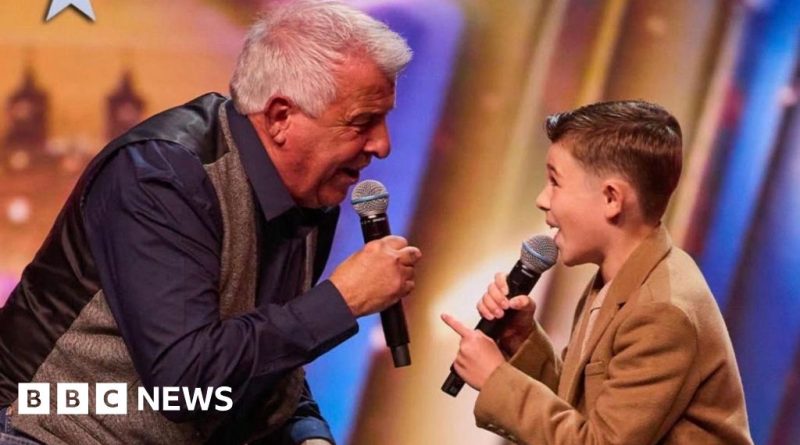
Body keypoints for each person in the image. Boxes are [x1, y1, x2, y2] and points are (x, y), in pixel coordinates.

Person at [0, 1, 419, 444]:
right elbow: (187, 382)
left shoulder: (310, 191)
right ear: (281, 117)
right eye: (363, 122)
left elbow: (260, 355)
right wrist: (341, 300)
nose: (382, 145)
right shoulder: (161, 176)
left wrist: (308, 434)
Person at [442, 100, 753, 444]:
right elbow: (582, 410)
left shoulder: (661, 311)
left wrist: (496, 379)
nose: (542, 199)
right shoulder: (620, 279)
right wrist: (521, 340)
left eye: (555, 181)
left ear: (611, 198)